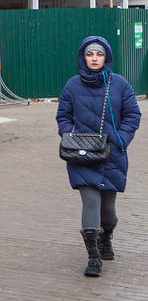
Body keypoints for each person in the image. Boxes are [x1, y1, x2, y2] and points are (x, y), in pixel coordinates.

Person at [56, 36, 140, 278]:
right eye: (90, 54)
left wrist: (121, 140)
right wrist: (68, 136)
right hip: (82, 155)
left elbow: (133, 115)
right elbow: (63, 115)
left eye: (99, 54)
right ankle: (93, 258)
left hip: (112, 154)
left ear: (106, 58)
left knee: (108, 208)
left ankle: (106, 239)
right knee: (90, 201)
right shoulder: (72, 85)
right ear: (83, 57)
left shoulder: (120, 84)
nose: (94, 58)